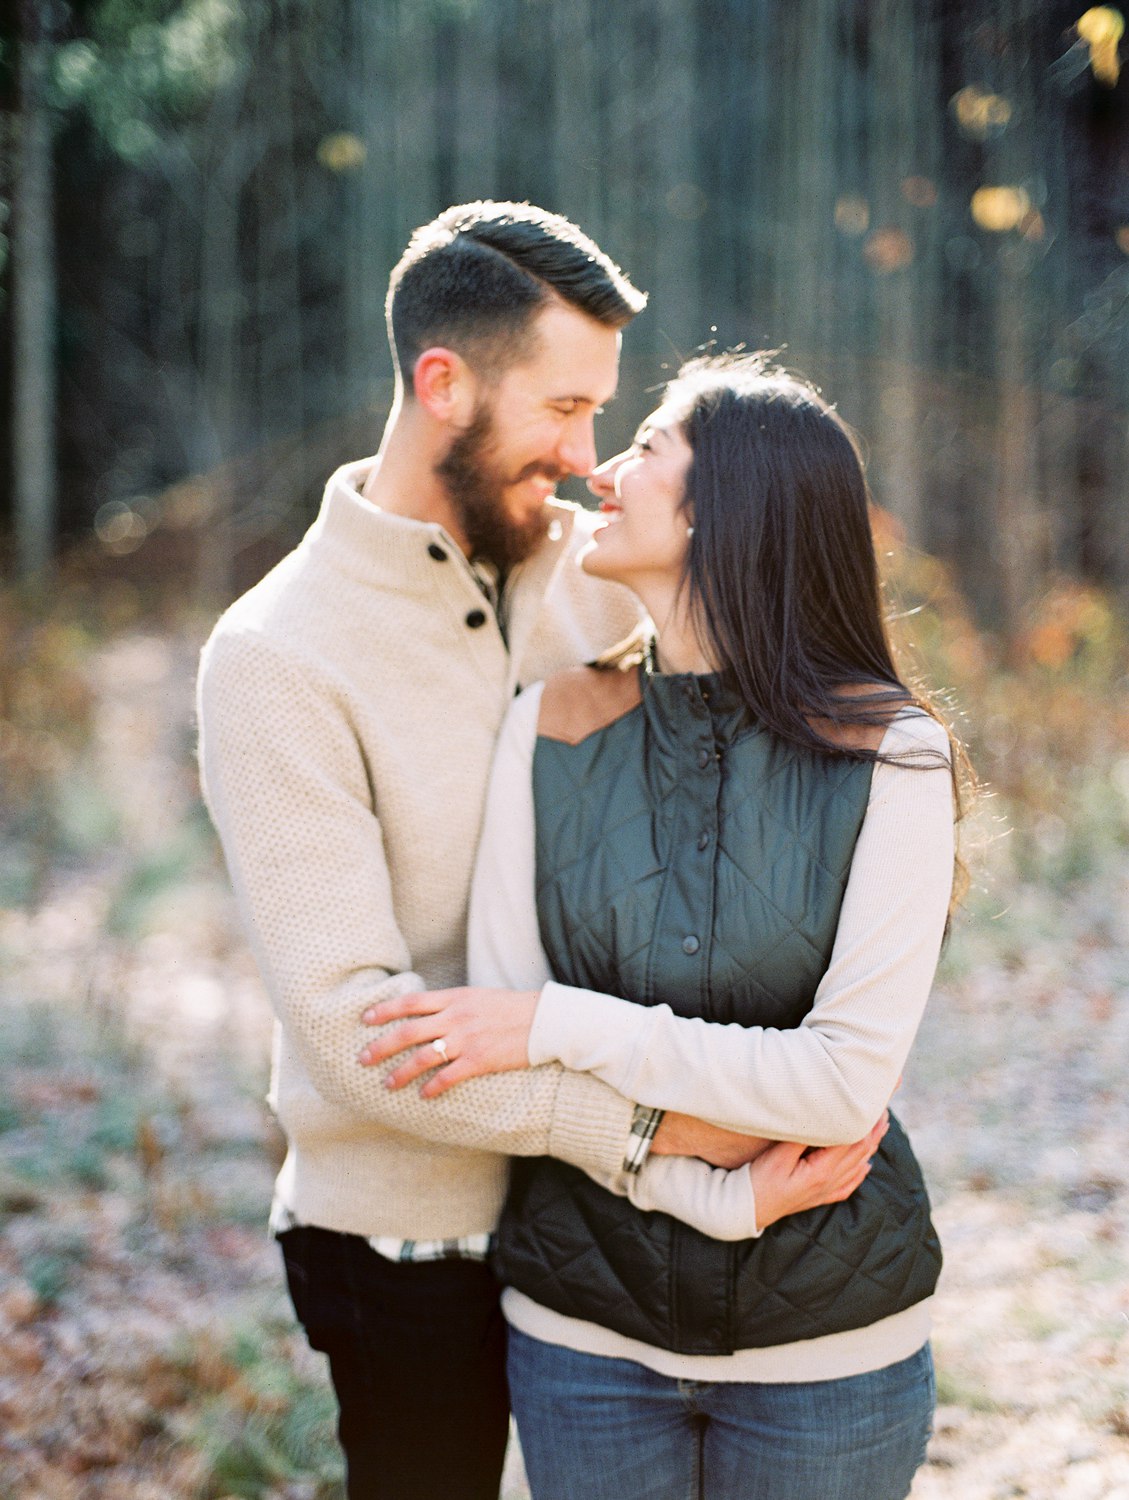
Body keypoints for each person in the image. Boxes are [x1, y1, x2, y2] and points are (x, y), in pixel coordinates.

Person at [197, 208, 877, 1500]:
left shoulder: (599, 570)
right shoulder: (275, 657)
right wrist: (658, 1129)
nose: (584, 459)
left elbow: (788, 662)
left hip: (622, 1234)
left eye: (601, 415)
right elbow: (358, 1033)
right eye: (562, 410)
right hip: (414, 1237)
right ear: (441, 385)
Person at [361, 354, 965, 1500]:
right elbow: (504, 1066)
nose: (602, 471)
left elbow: (838, 1088)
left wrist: (556, 1023)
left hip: (829, 1355)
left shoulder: (894, 754)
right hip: (580, 1342)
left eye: (645, 448)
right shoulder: (546, 723)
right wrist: (715, 1192)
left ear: (725, 505)